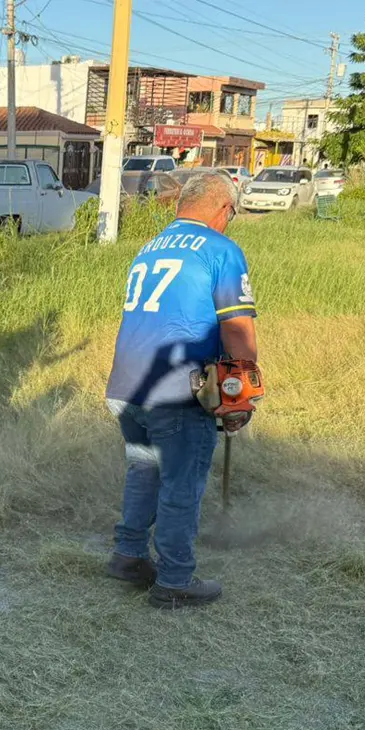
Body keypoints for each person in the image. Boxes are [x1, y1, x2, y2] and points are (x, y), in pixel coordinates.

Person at [103, 170, 260, 609]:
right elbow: (237, 328)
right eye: (232, 213)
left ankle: (129, 556)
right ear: (223, 208)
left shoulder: (149, 247)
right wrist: (240, 393)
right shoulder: (221, 250)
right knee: (181, 482)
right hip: (176, 388)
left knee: (144, 469)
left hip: (128, 385)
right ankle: (174, 580)